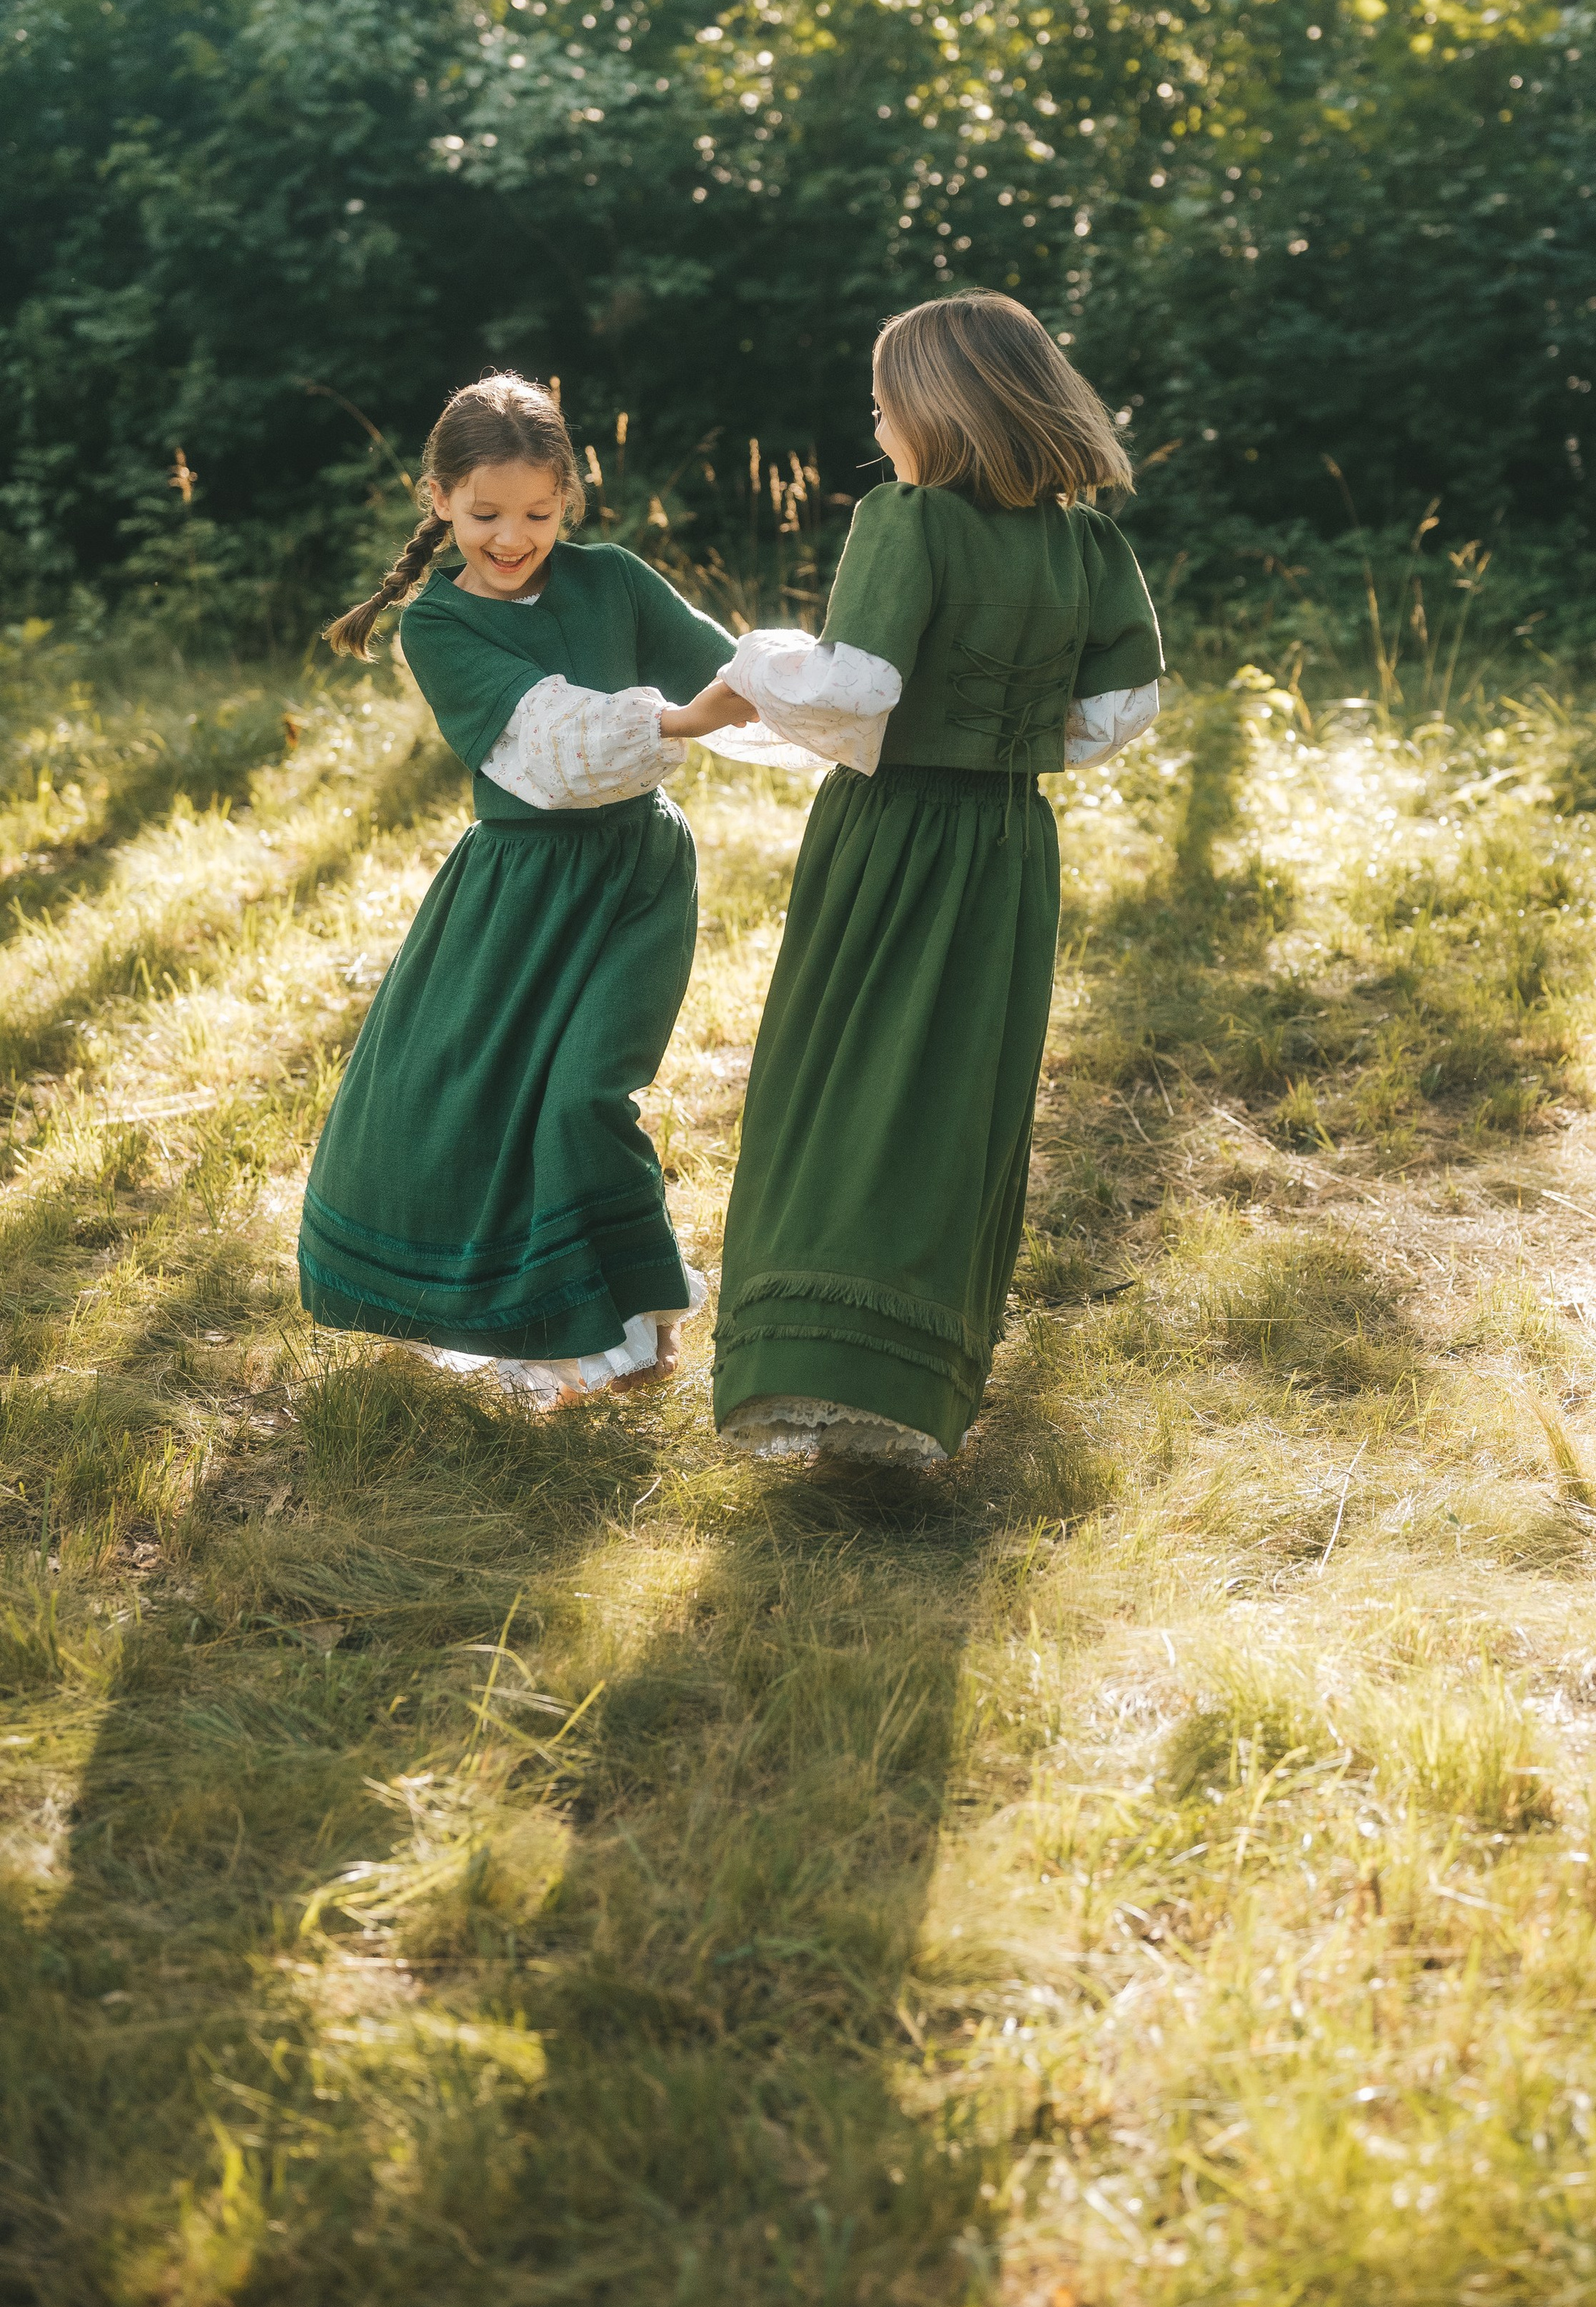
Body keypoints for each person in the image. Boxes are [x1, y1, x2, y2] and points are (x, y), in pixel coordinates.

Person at [656, 292, 1164, 1467]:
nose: (873, 424)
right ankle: (917, 1384)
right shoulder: (1092, 543)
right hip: (1006, 848)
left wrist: (758, 659)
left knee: (837, 1075)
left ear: (938, 411)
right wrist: (1013, 739)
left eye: (882, 404)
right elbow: (1122, 708)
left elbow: (856, 688)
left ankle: (810, 1374)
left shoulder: (907, 519)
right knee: (957, 1096)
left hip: (890, 839)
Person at [298, 373, 752, 1410]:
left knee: (589, 1091)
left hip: (635, 876)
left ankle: (631, 1330)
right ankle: (530, 1317)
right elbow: (550, 748)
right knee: (461, 1101)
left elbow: (731, 673)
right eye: (486, 513)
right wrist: (680, 723)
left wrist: (825, 688)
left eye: (539, 515)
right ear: (441, 498)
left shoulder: (615, 579)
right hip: (517, 888)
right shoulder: (440, 627)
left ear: (570, 501)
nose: (512, 537)